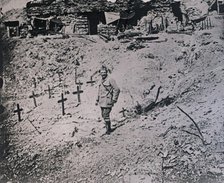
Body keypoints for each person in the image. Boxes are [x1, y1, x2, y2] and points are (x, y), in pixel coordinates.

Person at [96, 66, 120, 135]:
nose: (103, 74)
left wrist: (114, 99)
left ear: (106, 72)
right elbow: (99, 91)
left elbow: (117, 89)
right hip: (102, 101)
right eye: (101, 72)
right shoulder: (101, 80)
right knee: (103, 115)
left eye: (104, 72)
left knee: (106, 115)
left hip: (108, 100)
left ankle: (108, 130)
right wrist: (97, 99)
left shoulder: (110, 80)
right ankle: (108, 128)